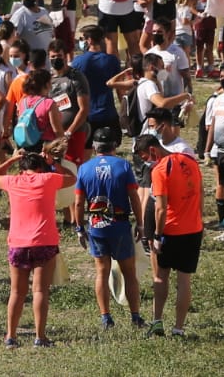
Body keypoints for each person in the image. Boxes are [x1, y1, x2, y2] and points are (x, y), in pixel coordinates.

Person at [0, 144, 77, 348]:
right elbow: (72, 178)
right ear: (41, 168)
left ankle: (10, 336)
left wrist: (11, 160)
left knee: (16, 292)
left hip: (18, 243)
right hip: (44, 242)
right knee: (40, 291)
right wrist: (53, 163)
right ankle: (40, 337)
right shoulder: (48, 179)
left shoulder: (13, 181)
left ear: (22, 167)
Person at [70, 123, 143, 331]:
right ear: (115, 146)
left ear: (94, 146)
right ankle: (135, 316)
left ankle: (106, 317)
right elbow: (134, 197)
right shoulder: (123, 166)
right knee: (129, 272)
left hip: (96, 225)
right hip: (119, 224)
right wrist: (141, 223)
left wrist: (79, 227)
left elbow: (78, 202)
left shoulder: (84, 168)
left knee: (101, 271)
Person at [140, 129, 202, 339]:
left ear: (152, 150)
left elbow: (160, 207)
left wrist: (157, 235)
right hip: (193, 229)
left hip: (169, 230)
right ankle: (178, 328)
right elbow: (200, 193)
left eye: (144, 157)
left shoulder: (160, 170)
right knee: (184, 280)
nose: (146, 162)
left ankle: (157, 321)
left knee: (160, 277)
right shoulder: (190, 160)